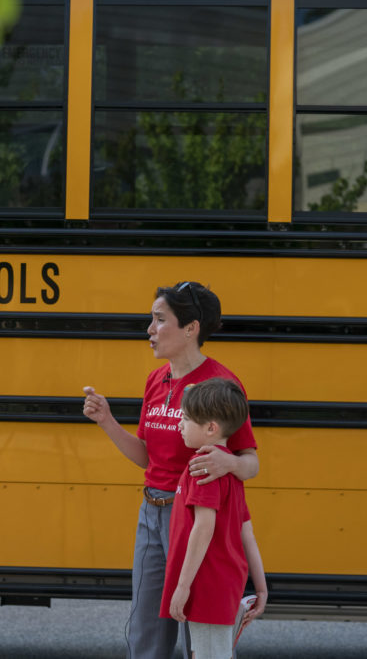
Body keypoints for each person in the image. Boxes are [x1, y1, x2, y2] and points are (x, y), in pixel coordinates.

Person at [82, 281, 259, 659]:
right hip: (152, 512)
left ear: (191, 328)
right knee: (146, 630)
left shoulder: (221, 385)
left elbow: (251, 463)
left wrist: (230, 462)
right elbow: (149, 458)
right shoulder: (156, 381)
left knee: (197, 629)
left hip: (196, 518)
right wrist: (108, 422)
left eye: (160, 320)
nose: (150, 329)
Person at [159, 378, 268, 659]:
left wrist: (182, 587)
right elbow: (248, 533)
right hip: (226, 583)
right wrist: (262, 587)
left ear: (210, 428)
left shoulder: (202, 469)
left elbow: (203, 528)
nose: (179, 425)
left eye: (185, 418)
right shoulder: (229, 469)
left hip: (206, 586)